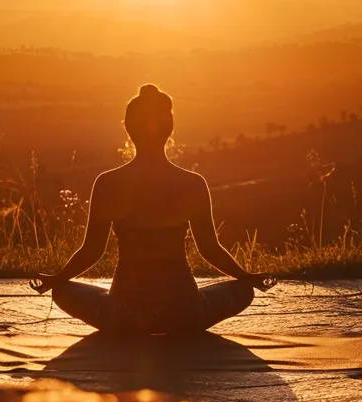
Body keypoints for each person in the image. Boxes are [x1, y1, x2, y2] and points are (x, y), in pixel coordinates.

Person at [30, 84, 276, 335]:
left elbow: (92, 250)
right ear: (169, 129)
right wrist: (246, 276)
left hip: (123, 314)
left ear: (128, 128)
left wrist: (56, 279)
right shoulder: (192, 183)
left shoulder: (108, 183)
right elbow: (209, 249)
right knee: (243, 290)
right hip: (183, 313)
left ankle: (135, 323)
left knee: (63, 290)